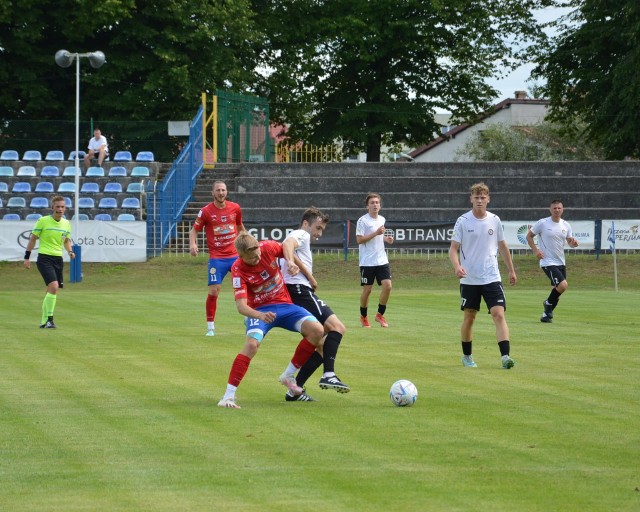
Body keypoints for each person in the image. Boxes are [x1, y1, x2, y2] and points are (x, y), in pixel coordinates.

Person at [217, 232, 325, 409]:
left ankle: (288, 376)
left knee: (317, 331)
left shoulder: (267, 247)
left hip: (284, 305)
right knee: (251, 345)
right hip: (260, 311)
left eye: (258, 254)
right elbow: (241, 307)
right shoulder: (238, 270)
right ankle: (228, 397)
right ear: (241, 256)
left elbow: (288, 249)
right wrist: (260, 316)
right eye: (252, 258)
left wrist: (300, 269)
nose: (257, 258)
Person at [280, 207, 349, 402]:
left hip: (296, 291)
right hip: (299, 291)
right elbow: (288, 245)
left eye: (322, 230)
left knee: (320, 345)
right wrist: (304, 273)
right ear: (305, 223)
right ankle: (329, 375)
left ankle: (295, 390)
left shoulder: (302, 238)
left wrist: (307, 273)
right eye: (317, 228)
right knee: (337, 327)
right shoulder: (300, 233)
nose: (319, 233)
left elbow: (292, 252)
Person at [448, 182, 516, 369]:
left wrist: (511, 269)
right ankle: (467, 356)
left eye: (482, 197)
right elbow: (453, 249)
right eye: (476, 197)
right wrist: (457, 266)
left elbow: (502, 246)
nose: (479, 200)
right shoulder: (463, 221)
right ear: (471, 199)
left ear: (488, 199)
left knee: (498, 314)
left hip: (492, 277)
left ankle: (505, 357)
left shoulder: (495, 220)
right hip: (469, 278)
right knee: (470, 317)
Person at [189, 180, 245, 336]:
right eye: (218, 190)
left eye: (223, 190)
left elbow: (240, 228)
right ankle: (210, 327)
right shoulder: (206, 211)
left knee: (245, 285)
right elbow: (193, 231)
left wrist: (248, 241)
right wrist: (192, 244)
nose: (221, 193)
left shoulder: (235, 208)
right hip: (217, 258)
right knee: (214, 290)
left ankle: (250, 317)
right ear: (213, 193)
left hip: (235, 256)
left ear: (226, 192)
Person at [23, 195, 75, 328]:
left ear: (65, 208)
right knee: (54, 286)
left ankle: (43, 321)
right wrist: (27, 257)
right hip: (44, 258)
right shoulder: (43, 221)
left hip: (58, 259)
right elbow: (33, 239)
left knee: (50, 290)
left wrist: (70, 251)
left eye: (62, 207)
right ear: (52, 207)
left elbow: (66, 240)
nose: (60, 209)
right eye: (57, 206)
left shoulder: (66, 223)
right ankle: (50, 320)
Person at [526, 199, 579, 323]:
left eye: (559, 208)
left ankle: (546, 315)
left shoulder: (566, 225)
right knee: (563, 285)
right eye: (554, 208)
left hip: (560, 261)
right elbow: (529, 236)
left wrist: (574, 243)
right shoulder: (543, 223)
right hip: (547, 261)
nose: (557, 210)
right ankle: (547, 303)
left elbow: (570, 242)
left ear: (562, 209)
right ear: (550, 209)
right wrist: (536, 250)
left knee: (557, 290)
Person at [356, 192, 394, 327]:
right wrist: (376, 233)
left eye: (377, 203)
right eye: (372, 203)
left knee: (388, 286)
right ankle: (363, 316)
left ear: (380, 205)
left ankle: (380, 315)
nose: (375, 205)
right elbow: (359, 240)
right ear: (367, 206)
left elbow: (378, 236)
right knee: (368, 290)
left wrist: (385, 238)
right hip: (367, 261)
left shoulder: (382, 219)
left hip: (381, 260)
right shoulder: (362, 221)